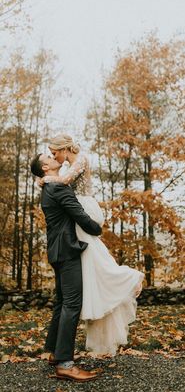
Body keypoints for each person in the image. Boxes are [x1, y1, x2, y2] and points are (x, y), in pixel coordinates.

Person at [39, 134, 144, 356]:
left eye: (54, 151)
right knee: (91, 266)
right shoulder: (57, 183)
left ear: (64, 148)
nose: (54, 155)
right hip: (72, 231)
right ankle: (57, 355)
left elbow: (66, 181)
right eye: (50, 155)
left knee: (91, 265)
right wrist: (45, 178)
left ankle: (129, 278)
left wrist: (44, 178)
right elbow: (64, 185)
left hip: (83, 210)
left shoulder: (78, 162)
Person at [30, 153, 102, 382]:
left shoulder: (48, 187)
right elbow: (79, 215)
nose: (54, 156)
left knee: (62, 302)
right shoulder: (58, 189)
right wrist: (97, 228)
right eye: (49, 157)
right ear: (45, 166)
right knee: (72, 303)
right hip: (68, 250)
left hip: (56, 250)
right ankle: (65, 364)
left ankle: (53, 352)